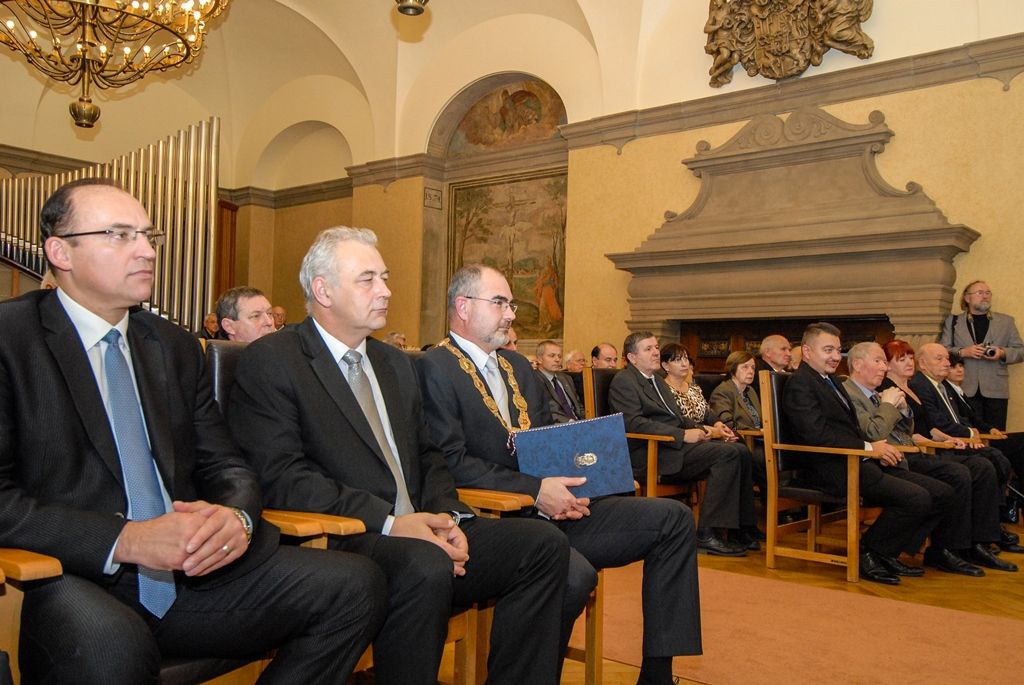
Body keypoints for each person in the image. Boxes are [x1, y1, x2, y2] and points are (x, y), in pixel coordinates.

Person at [0, 178, 386, 683]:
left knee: (357, 585)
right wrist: (125, 539)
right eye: (120, 235)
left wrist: (236, 517)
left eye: (148, 235)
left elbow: (225, 464)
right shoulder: (11, 339)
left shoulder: (174, 346)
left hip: (192, 570)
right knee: (113, 646)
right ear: (59, 252)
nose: (146, 251)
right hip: (72, 572)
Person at [227, 229, 569, 685]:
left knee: (543, 545)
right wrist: (391, 523)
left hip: (423, 524)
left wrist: (448, 517)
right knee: (424, 564)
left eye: (385, 277)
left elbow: (428, 454)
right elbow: (282, 477)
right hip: (348, 534)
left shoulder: (395, 363)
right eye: (367, 279)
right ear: (323, 290)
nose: (386, 290)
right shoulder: (274, 360)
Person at [419, 265, 702, 685]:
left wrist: (589, 479)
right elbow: (450, 462)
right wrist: (536, 491)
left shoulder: (518, 366)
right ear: (463, 306)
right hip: (493, 519)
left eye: (511, 304)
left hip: (553, 509)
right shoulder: (433, 367)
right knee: (573, 576)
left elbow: (547, 442)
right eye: (499, 303)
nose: (510, 314)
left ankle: (657, 677)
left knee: (674, 519)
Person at [781, 322, 947, 585]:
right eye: (828, 350)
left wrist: (876, 449)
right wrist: (869, 449)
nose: (835, 356)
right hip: (827, 468)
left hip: (856, 460)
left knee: (940, 492)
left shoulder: (831, 380)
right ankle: (869, 552)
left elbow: (851, 428)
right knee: (917, 497)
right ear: (807, 351)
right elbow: (815, 435)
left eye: (838, 350)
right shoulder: (800, 383)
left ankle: (886, 552)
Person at [844, 342, 1003, 575]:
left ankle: (962, 545)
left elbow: (905, 431)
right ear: (857, 365)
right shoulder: (850, 393)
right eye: (879, 361)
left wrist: (903, 410)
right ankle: (887, 550)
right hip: (881, 460)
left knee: (974, 470)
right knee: (950, 481)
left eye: (884, 362)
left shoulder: (875, 392)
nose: (883, 368)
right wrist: (888, 405)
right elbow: (874, 433)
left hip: (903, 453)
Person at [609, 332, 757, 555]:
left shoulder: (657, 380)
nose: (656, 352)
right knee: (728, 455)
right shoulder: (624, 381)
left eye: (656, 347)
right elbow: (633, 423)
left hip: (673, 446)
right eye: (648, 349)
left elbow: (677, 417)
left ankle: (740, 529)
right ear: (632, 357)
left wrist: (704, 428)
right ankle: (707, 533)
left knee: (740, 450)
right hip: (652, 451)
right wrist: (682, 435)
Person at [908, 342, 1022, 555]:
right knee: (987, 462)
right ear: (922, 364)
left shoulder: (942, 385)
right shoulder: (921, 385)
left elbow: (964, 418)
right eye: (939, 359)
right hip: (940, 447)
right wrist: (970, 435)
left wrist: (974, 433)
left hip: (955, 441)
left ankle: (989, 530)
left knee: (994, 458)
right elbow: (937, 423)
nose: (947, 363)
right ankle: (986, 532)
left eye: (946, 358)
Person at [948, 352, 1024, 523]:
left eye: (961, 366)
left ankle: (1015, 495)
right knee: (1016, 446)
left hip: (980, 437)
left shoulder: (959, 391)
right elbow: (958, 423)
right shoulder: (947, 390)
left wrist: (991, 429)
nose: (959, 370)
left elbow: (976, 419)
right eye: (953, 367)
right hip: (969, 442)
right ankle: (1011, 500)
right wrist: (973, 434)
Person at [940, 280, 1024, 430]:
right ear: (967, 298)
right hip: (963, 387)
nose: (985, 296)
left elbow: (1020, 351)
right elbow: (942, 350)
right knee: (969, 433)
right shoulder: (953, 321)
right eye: (980, 293)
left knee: (997, 434)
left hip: (996, 389)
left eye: (988, 293)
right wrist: (963, 352)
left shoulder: (1006, 322)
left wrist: (1002, 353)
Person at [709, 350, 768, 499]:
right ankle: (771, 499)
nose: (751, 371)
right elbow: (728, 423)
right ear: (733, 369)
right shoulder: (723, 391)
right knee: (766, 457)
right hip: (743, 442)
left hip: (760, 440)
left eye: (753, 367)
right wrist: (757, 432)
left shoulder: (750, 391)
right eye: (745, 367)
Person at [660, 343, 716, 425]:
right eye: (678, 360)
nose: (684, 364)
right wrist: (703, 428)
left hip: (706, 430)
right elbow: (675, 420)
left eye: (686, 359)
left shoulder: (694, 388)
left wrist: (717, 423)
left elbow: (707, 413)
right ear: (665, 366)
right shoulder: (662, 390)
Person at [535, 339, 583, 423]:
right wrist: (570, 422)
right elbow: (547, 412)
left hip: (579, 423)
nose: (557, 359)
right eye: (552, 356)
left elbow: (578, 406)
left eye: (559, 356)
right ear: (539, 359)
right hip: (557, 426)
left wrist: (589, 420)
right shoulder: (534, 380)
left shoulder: (566, 378)